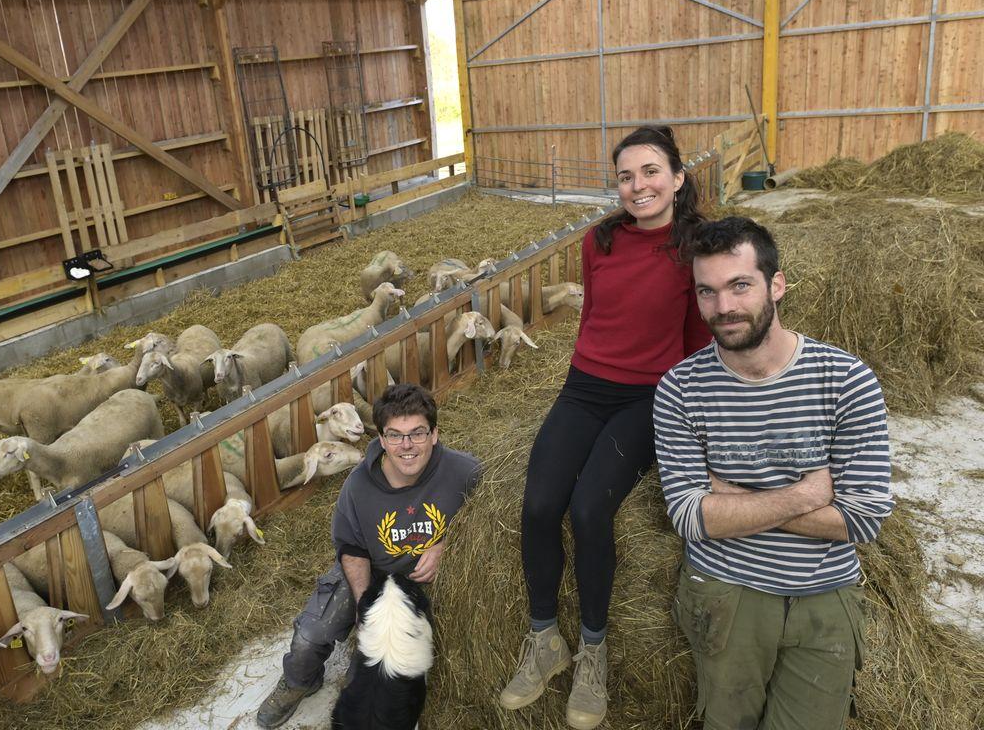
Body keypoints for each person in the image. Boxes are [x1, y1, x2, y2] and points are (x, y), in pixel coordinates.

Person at [500, 126, 710, 729]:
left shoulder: (695, 247)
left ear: (676, 177)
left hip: (647, 396)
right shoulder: (601, 240)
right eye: (625, 176)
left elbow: (696, 341)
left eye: (649, 172)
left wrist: (691, 415)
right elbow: (595, 314)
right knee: (540, 504)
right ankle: (545, 639)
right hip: (585, 386)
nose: (637, 186)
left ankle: (593, 649)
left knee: (590, 509)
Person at [655, 216, 893, 728]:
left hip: (825, 596)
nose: (724, 308)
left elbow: (863, 520)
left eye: (740, 286)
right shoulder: (679, 388)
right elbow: (691, 518)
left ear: (776, 285)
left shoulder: (846, 380)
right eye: (707, 292)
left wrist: (731, 497)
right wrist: (805, 495)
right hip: (725, 593)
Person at [256, 383, 482, 728]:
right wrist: (365, 607)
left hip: (431, 579)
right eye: (395, 435)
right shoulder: (359, 484)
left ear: (434, 434)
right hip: (372, 573)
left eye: (417, 433)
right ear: (382, 438)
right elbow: (351, 546)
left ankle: (362, 670)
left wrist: (447, 546)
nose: (406, 446)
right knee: (309, 637)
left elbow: (490, 515)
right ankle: (299, 681)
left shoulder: (464, 471)